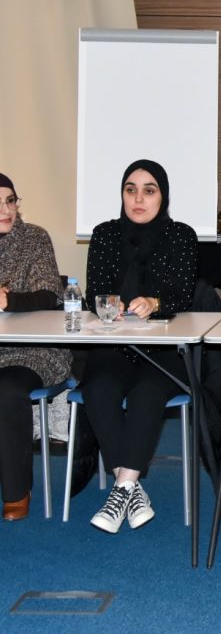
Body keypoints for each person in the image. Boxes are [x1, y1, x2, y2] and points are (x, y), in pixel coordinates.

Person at [83, 160, 198, 533]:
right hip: (115, 344)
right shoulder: (104, 234)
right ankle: (131, 488)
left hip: (163, 349)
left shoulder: (181, 236)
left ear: (162, 197)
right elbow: (94, 294)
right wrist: (109, 305)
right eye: (130, 190)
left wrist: (154, 302)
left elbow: (183, 295)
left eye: (149, 190)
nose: (138, 199)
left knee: (147, 393)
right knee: (97, 389)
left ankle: (121, 489)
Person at [0, 173, 72, 521]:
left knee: (6, 390)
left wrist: (8, 300)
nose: (5, 210)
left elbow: (48, 294)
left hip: (32, 351)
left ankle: (17, 491)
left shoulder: (34, 238)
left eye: (10, 201)